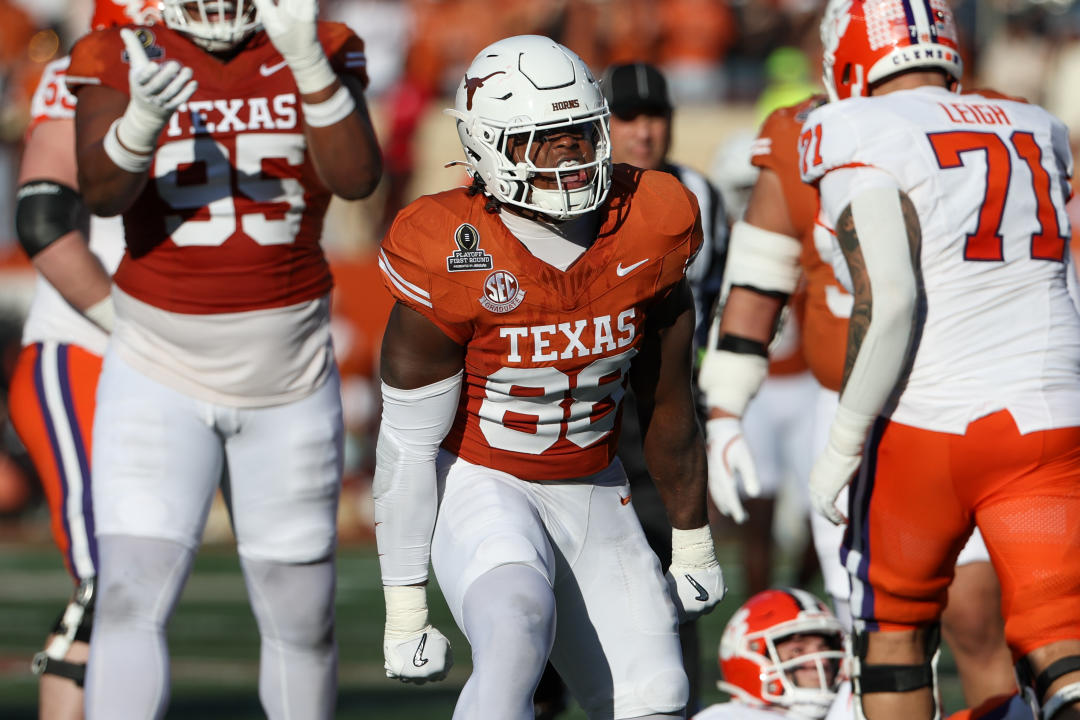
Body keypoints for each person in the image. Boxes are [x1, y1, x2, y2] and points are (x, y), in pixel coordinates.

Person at [373, 34, 724, 720]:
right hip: (484, 478)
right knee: (514, 626)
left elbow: (669, 398)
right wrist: (404, 606)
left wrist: (692, 540)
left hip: (595, 486)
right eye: (543, 138)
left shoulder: (650, 223)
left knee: (659, 698)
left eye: (579, 133)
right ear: (486, 147)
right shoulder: (450, 247)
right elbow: (408, 444)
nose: (569, 152)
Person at [63, 0, 382, 716]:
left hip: (289, 373)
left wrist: (310, 70)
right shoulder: (119, 50)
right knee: (125, 596)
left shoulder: (321, 43)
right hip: (157, 365)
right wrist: (140, 121)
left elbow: (358, 179)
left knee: (304, 617)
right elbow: (101, 192)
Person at [698, 22, 1018, 719]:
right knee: (870, 624)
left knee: (974, 616)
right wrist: (724, 406)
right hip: (842, 392)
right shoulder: (798, 130)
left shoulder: (992, 114)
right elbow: (757, 278)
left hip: (955, 393)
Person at [801, 2, 1080, 719]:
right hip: (1051, 415)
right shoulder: (1034, 124)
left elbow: (889, 298)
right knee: (1060, 640)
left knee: (893, 629)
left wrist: (841, 442)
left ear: (849, 57)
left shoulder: (852, 126)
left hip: (929, 426)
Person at [5, 2, 159, 718]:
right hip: (85, 348)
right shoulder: (81, 72)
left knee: (143, 581)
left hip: (170, 361)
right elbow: (40, 219)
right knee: (109, 582)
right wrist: (131, 327)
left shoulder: (236, 79)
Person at [694, 587, 848, 720]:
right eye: (797, 650)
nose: (822, 662)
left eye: (824, 648)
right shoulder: (730, 717)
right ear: (752, 655)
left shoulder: (848, 709)